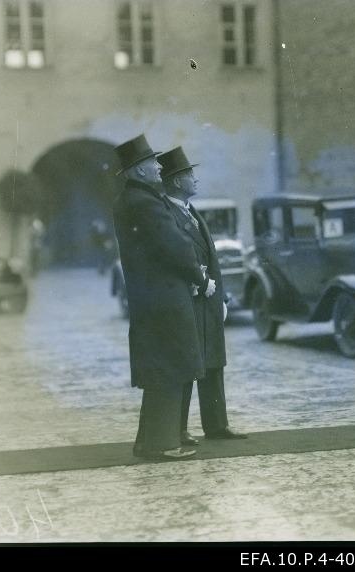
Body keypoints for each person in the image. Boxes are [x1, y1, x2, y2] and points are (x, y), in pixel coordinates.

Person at [112, 134, 207, 460]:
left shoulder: (134, 199)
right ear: (138, 171)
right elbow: (176, 247)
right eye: (152, 162)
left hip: (152, 298)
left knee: (160, 371)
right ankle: (163, 444)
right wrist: (200, 276)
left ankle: (149, 441)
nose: (157, 166)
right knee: (170, 369)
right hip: (164, 299)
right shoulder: (145, 202)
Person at [157, 146, 247, 442]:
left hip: (208, 298)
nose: (194, 179)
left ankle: (217, 425)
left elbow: (210, 255)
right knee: (187, 364)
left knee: (213, 361)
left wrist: (220, 296)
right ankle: (179, 429)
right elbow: (172, 256)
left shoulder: (189, 209)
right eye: (188, 174)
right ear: (174, 181)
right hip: (189, 298)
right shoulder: (166, 212)